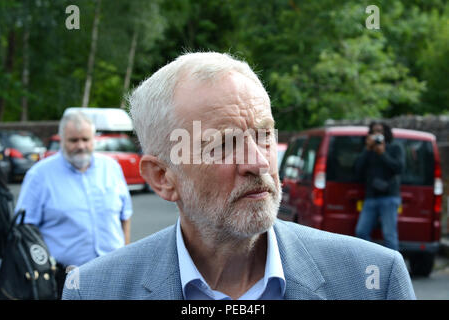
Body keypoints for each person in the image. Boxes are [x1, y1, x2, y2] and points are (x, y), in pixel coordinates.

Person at [63, 52, 415, 300]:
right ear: (161, 177)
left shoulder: (373, 280)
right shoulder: (95, 290)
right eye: (224, 144)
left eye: (264, 135)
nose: (259, 161)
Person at [16, 111, 133, 298]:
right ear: (61, 139)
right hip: (66, 277)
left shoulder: (111, 168)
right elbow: (24, 229)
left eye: (86, 139)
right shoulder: (39, 176)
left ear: (94, 139)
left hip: (114, 273)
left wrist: (126, 257)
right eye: (73, 140)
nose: (81, 146)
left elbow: (125, 215)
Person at [354, 122, 404, 251]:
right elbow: (357, 169)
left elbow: (399, 168)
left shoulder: (395, 147)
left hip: (389, 196)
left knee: (389, 235)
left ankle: (393, 267)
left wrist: (383, 154)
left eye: (380, 131)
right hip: (371, 196)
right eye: (374, 131)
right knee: (361, 232)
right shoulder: (368, 150)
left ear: (386, 133)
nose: (377, 134)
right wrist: (367, 149)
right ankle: (373, 259)